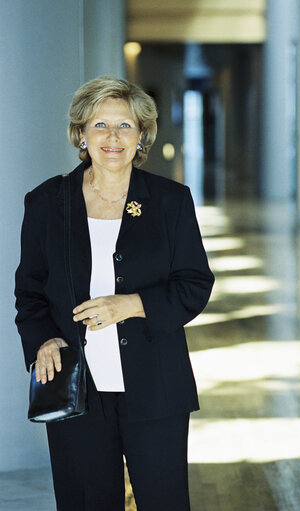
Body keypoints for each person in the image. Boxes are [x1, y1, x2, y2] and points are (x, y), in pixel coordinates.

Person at [15, 76, 214, 511]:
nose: (112, 137)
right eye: (100, 125)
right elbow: (29, 291)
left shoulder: (170, 201)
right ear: (80, 133)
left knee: (164, 501)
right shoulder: (47, 202)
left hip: (156, 385)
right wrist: (43, 340)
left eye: (124, 126)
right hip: (76, 387)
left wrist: (133, 304)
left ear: (141, 134)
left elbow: (195, 282)